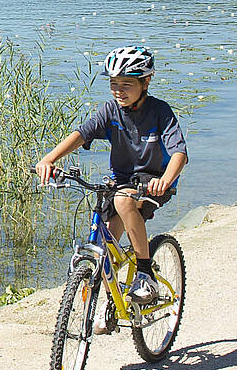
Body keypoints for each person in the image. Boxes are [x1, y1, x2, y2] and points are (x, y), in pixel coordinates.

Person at [34, 45, 189, 304]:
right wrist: (49, 158)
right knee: (103, 248)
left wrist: (166, 180)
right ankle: (110, 305)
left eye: (126, 84)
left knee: (123, 200)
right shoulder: (111, 110)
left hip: (153, 183)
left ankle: (144, 272)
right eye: (114, 83)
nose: (119, 90)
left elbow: (179, 154)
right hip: (120, 183)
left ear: (146, 81)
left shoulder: (160, 112)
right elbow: (83, 133)